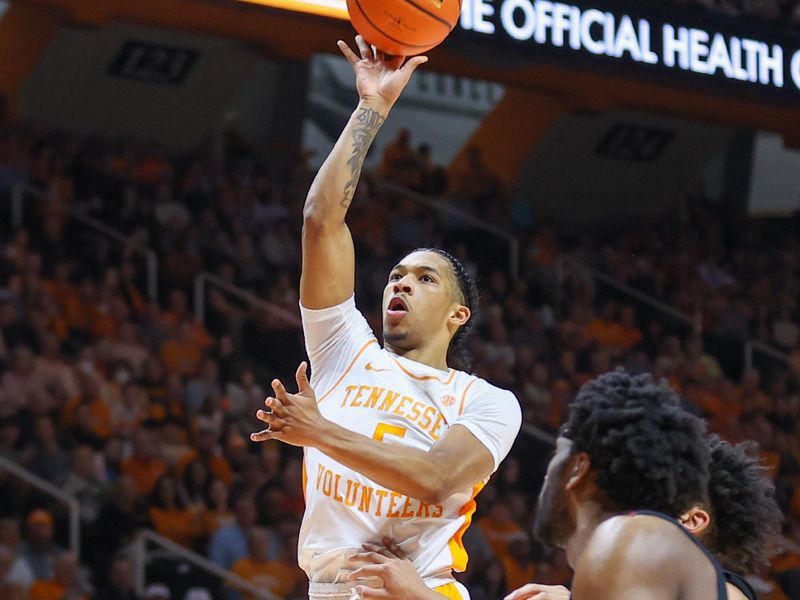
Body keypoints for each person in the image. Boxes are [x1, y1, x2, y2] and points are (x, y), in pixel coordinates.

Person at [250, 36, 522, 600]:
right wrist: (372, 106)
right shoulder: (345, 350)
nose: (401, 282)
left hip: (419, 589)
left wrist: (319, 431)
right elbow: (321, 222)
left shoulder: (486, 401)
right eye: (397, 274)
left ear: (457, 314)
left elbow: (437, 480)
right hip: (329, 587)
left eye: (425, 279)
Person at [347, 371, 726, 599]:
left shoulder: (623, 542)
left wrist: (419, 595)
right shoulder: (647, 551)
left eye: (555, 461)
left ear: (577, 470)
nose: (546, 478)